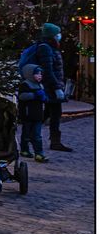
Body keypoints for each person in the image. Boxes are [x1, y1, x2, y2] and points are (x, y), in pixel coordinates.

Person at [33, 23, 72, 152]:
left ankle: (31, 137)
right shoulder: (46, 48)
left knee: (49, 113)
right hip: (50, 87)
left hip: (51, 85)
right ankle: (52, 141)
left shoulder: (50, 47)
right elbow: (48, 70)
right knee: (54, 114)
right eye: (57, 34)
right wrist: (56, 87)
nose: (59, 36)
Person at [16, 64, 48, 162]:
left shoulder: (40, 85)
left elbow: (44, 98)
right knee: (26, 133)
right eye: (37, 74)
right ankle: (24, 149)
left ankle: (39, 153)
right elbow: (22, 96)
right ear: (30, 74)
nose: (40, 76)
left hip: (38, 114)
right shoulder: (25, 84)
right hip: (28, 114)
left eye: (40, 74)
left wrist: (44, 98)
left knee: (37, 135)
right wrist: (34, 95)